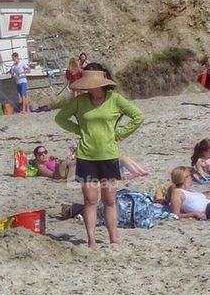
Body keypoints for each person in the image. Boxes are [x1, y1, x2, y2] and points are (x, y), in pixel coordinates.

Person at [54, 68, 144, 248]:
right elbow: (60, 118)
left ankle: (114, 237)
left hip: (109, 156)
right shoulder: (79, 102)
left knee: (109, 200)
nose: (88, 88)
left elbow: (138, 117)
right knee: (90, 200)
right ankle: (91, 239)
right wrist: (79, 130)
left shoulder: (115, 99)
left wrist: (117, 135)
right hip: (86, 157)